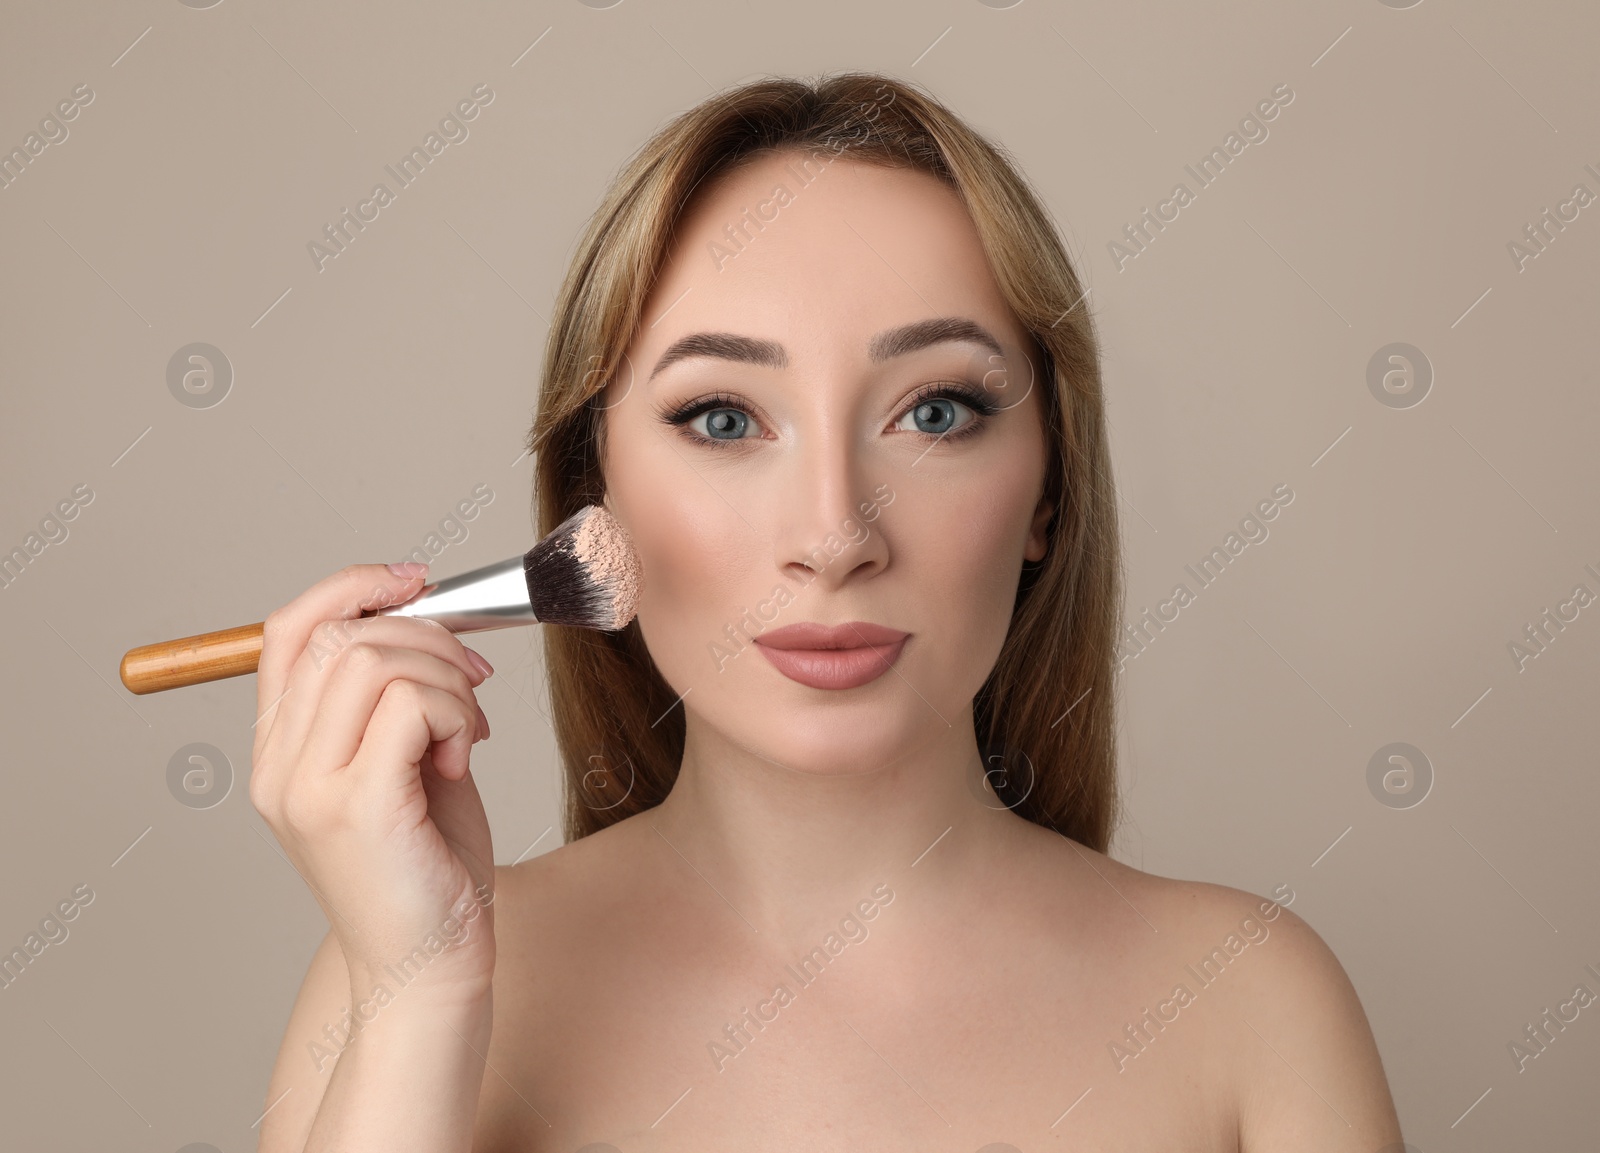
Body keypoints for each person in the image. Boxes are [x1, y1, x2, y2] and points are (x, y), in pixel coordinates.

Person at [251, 72, 1404, 1151]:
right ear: (592, 505)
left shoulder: (1251, 1004)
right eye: (720, 419)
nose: (834, 535)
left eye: (938, 412)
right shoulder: (396, 979)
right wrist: (426, 990)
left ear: (1048, 490)